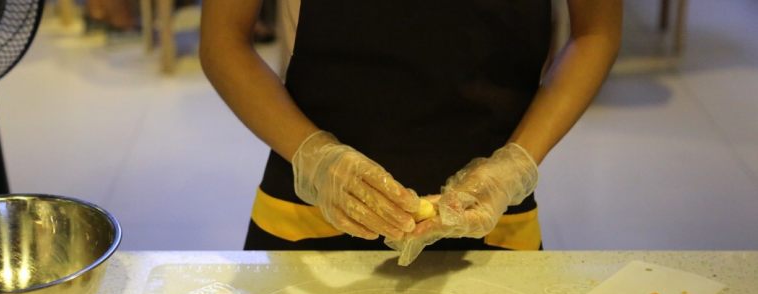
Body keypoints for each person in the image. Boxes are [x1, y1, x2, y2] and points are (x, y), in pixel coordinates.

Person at [200, 1, 622, 265]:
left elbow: (596, 33)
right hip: (313, 210)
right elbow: (224, 40)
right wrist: (316, 158)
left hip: (488, 216)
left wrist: (514, 166)